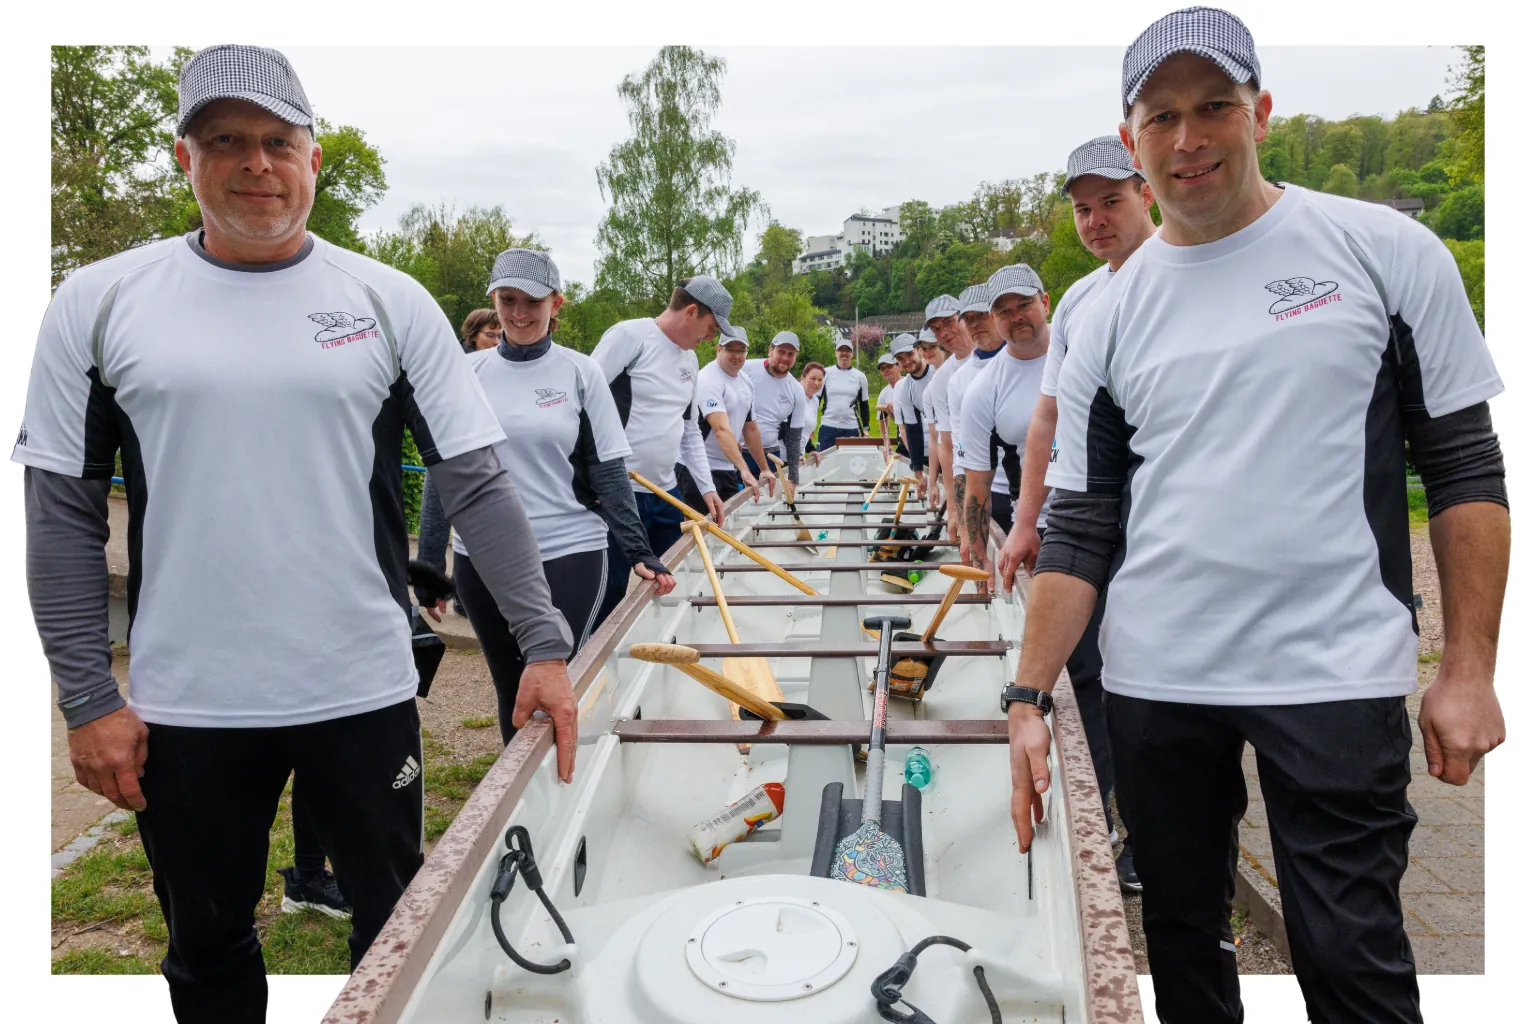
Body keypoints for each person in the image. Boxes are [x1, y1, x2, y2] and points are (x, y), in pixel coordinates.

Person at [16, 46, 579, 1023]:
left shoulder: (388, 301)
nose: (256, 164)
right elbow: (61, 510)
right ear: (184, 157)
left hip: (360, 689)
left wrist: (543, 642)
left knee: (397, 932)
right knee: (206, 943)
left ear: (313, 159)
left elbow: (477, 483)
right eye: (226, 141)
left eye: (279, 141)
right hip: (187, 702)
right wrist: (84, 695)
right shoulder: (100, 304)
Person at [1006, 10, 1507, 1024]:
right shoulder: (1101, 315)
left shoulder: (1385, 252)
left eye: (1214, 108)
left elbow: (1463, 468)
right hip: (1158, 676)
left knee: (1349, 953)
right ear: (1134, 135)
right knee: (1183, 939)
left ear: (1261, 112)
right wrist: (1028, 693)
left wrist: (1468, 669)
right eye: (1162, 117)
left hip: (1332, 667)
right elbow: (1083, 522)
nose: (1189, 138)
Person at [997, 134, 1159, 895]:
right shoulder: (1087, 302)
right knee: (1094, 677)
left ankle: (1151, 836)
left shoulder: (1184, 275)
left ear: (1147, 191)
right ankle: (1109, 820)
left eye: (1112, 203)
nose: (1096, 221)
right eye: (1083, 210)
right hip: (1090, 518)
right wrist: (1027, 523)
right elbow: (1047, 423)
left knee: (1163, 694)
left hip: (1167, 525)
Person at [448, 249, 675, 743]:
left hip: (568, 548)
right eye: (508, 300)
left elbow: (609, 470)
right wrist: (429, 562)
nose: (520, 313)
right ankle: (523, 812)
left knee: (557, 678)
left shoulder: (580, 372)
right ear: (494, 299)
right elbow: (445, 471)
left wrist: (638, 550)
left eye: (533, 301)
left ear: (557, 303)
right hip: (482, 555)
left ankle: (569, 785)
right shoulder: (466, 372)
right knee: (511, 687)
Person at [590, 276, 730, 604]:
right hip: (619, 493)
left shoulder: (691, 361)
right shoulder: (630, 336)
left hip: (666, 493)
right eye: (711, 328)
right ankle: (587, 653)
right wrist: (588, 480)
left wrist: (707, 487)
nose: (711, 338)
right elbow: (581, 404)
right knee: (608, 591)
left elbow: (689, 430)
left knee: (670, 585)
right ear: (691, 311)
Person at [944, 280, 1009, 560]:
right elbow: (960, 451)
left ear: (996, 315)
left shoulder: (1030, 356)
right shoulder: (958, 381)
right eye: (967, 319)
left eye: (981, 315)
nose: (974, 324)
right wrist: (963, 520)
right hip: (991, 492)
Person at [696, 324, 771, 499]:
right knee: (703, 525)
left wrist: (764, 469)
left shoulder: (746, 381)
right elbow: (720, 430)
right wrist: (744, 470)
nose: (736, 355)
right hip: (700, 467)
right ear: (718, 349)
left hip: (727, 466)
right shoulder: (708, 379)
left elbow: (750, 429)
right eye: (730, 349)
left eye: (741, 350)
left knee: (727, 525)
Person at [924, 291, 975, 541]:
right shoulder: (942, 380)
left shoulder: (1000, 353)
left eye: (948, 322)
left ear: (964, 317)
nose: (942, 333)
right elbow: (947, 445)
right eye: (935, 329)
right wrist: (953, 509)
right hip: (975, 479)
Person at [742, 330, 808, 494]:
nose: (785, 358)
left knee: (765, 503)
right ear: (770, 350)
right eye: (781, 352)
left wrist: (793, 478)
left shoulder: (796, 390)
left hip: (771, 455)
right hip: (738, 454)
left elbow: (794, 437)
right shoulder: (745, 368)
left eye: (791, 354)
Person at [890, 333, 932, 496]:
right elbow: (912, 430)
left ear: (919, 351)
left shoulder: (937, 372)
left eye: (910, 355)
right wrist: (919, 474)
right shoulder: (905, 387)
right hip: (935, 446)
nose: (907, 361)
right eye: (901, 359)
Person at [815, 337, 869, 450]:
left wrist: (865, 428)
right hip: (828, 427)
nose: (844, 353)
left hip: (851, 428)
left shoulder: (860, 377)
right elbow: (815, 401)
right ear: (836, 353)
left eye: (847, 350)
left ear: (852, 354)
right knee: (824, 464)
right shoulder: (825, 373)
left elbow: (864, 405)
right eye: (841, 350)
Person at [874, 353, 904, 456]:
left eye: (889, 366)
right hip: (903, 434)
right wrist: (887, 442)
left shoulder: (909, 383)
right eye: (882, 368)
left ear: (899, 366)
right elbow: (882, 420)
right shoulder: (884, 394)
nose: (886, 370)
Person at [800, 361, 826, 467]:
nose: (816, 383)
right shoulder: (793, 394)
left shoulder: (815, 400)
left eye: (820, 380)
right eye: (813, 378)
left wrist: (810, 449)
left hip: (798, 456)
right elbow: (783, 428)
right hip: (780, 457)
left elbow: (804, 432)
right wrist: (793, 454)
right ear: (803, 377)